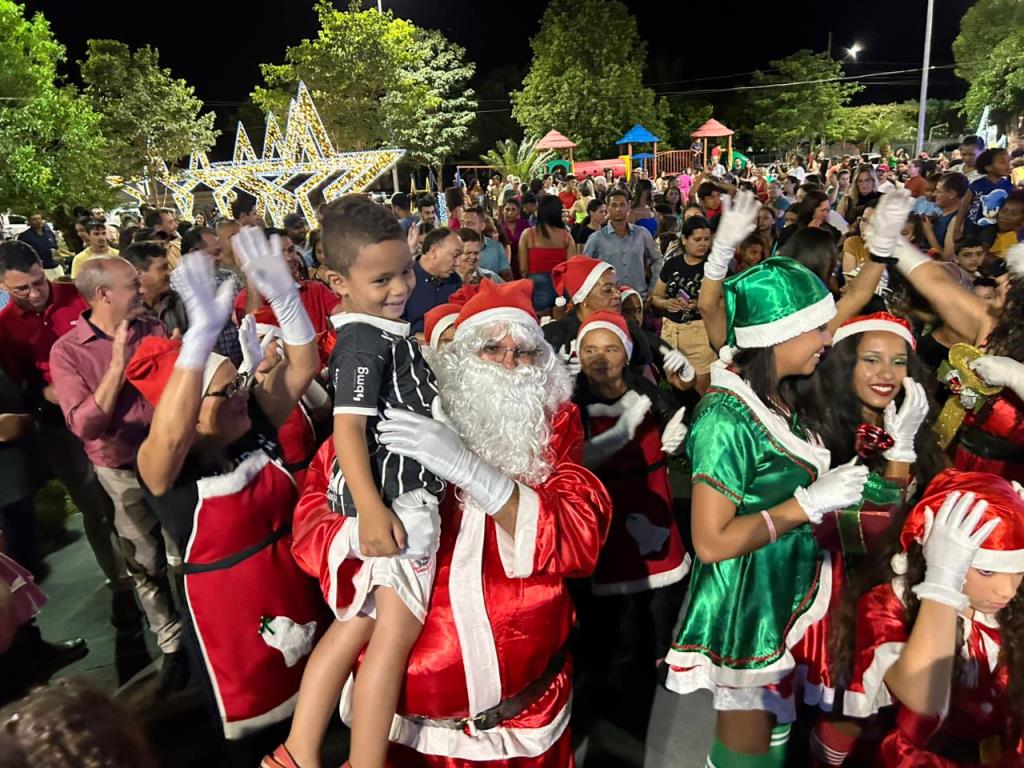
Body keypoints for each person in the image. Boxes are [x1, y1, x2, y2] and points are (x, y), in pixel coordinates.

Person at [291, 278, 613, 766]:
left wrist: (469, 470)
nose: (508, 362)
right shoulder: (392, 420)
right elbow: (313, 516)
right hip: (408, 736)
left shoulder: (554, 428)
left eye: (523, 351)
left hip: (526, 725)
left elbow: (577, 542)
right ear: (459, 358)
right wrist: (362, 532)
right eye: (491, 347)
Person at [666, 257, 869, 767]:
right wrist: (807, 504)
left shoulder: (776, 394)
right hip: (745, 605)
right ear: (781, 334)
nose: (828, 339)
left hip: (781, 586)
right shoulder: (726, 417)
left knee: (774, 738)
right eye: (818, 329)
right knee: (748, 750)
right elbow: (711, 542)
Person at [266, 195, 447, 768]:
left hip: (389, 498)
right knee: (389, 643)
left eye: (405, 272)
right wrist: (372, 511)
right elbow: (346, 430)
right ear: (337, 282)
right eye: (382, 280)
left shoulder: (377, 331)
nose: (400, 288)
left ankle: (297, 751)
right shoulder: (366, 342)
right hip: (397, 503)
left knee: (354, 626)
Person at [129, 234, 324, 765]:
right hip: (233, 631)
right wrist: (197, 343)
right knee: (257, 745)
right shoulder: (167, 474)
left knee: (318, 717)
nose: (241, 394)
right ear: (188, 412)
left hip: (294, 594)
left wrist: (286, 301)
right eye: (225, 391)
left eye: (238, 384)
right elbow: (165, 439)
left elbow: (302, 367)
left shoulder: (250, 427)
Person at [49, 256, 186, 688]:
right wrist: (117, 364)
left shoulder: (153, 327)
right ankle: (171, 645)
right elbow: (85, 425)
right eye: (131, 283)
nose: (141, 288)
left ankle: (199, 631)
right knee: (144, 561)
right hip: (122, 470)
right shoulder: (68, 352)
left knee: (184, 550)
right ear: (103, 294)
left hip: (170, 458)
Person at [0, 243, 137, 649]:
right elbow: (19, 381)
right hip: (60, 423)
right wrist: (47, 392)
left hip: (116, 407)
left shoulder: (75, 294)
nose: (34, 292)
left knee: (133, 490)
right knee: (93, 504)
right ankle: (120, 582)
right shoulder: (6, 326)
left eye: (38, 282)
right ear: (5, 286)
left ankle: (154, 568)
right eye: (21, 289)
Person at [842, 469, 1023, 766]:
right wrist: (943, 582)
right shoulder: (888, 604)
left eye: (1018, 569)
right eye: (987, 571)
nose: (1007, 590)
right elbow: (922, 695)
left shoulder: (1013, 609)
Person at [571, 310, 690, 741]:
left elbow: (677, 416)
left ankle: (658, 655)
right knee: (608, 607)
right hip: (604, 509)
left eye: (610, 348)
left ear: (626, 354)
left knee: (661, 590)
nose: (600, 358)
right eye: (590, 349)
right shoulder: (573, 400)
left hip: (650, 497)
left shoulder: (646, 389)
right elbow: (575, 458)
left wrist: (678, 436)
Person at [650, 215, 716, 393]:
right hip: (671, 333)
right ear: (684, 240)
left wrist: (701, 305)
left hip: (701, 334)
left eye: (706, 239)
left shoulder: (714, 269)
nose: (703, 244)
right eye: (697, 239)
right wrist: (666, 303)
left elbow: (724, 304)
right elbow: (656, 296)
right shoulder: (672, 264)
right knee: (676, 389)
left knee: (701, 392)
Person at [583, 188, 663, 297]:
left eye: (622, 205)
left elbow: (658, 259)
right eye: (614, 205)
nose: (618, 209)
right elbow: (585, 268)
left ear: (628, 206)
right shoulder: (596, 238)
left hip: (638, 297)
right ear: (607, 208)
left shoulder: (641, 234)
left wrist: (653, 288)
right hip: (609, 299)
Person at [518, 195, 573, 314]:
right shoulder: (566, 237)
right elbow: (571, 268)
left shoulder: (528, 235)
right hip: (561, 290)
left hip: (536, 288)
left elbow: (523, 269)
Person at [402, 227, 462, 334]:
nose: (458, 263)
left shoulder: (455, 281)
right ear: (434, 251)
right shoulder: (404, 279)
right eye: (455, 255)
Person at [122, 241, 188, 337]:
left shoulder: (177, 301)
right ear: (138, 274)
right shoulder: (125, 310)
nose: (169, 272)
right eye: (163, 268)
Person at [956, 147, 1013, 240]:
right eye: (1002, 162)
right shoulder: (976, 185)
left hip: (997, 230)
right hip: (972, 227)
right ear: (988, 167)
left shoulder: (1010, 187)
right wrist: (957, 230)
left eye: (1008, 162)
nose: (1007, 166)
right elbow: (963, 207)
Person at [921, 172, 969, 259]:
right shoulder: (939, 214)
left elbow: (947, 258)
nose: (934, 194)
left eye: (939, 191)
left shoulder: (956, 220)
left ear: (951, 194)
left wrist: (929, 232)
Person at [460, 207, 512, 280]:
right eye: (462, 223)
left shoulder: (496, 246)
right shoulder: (454, 249)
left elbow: (507, 276)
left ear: (482, 226)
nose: (464, 227)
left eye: (470, 223)